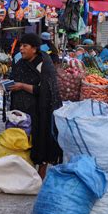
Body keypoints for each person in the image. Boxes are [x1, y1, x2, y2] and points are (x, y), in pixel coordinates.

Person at [9, 33, 62, 178]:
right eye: (21, 46)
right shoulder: (20, 62)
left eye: (25, 46)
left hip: (41, 110)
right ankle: (24, 172)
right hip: (23, 110)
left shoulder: (45, 64)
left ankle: (41, 172)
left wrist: (22, 86)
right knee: (23, 140)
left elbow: (46, 90)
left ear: (34, 48)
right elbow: (13, 78)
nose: (21, 49)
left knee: (41, 140)